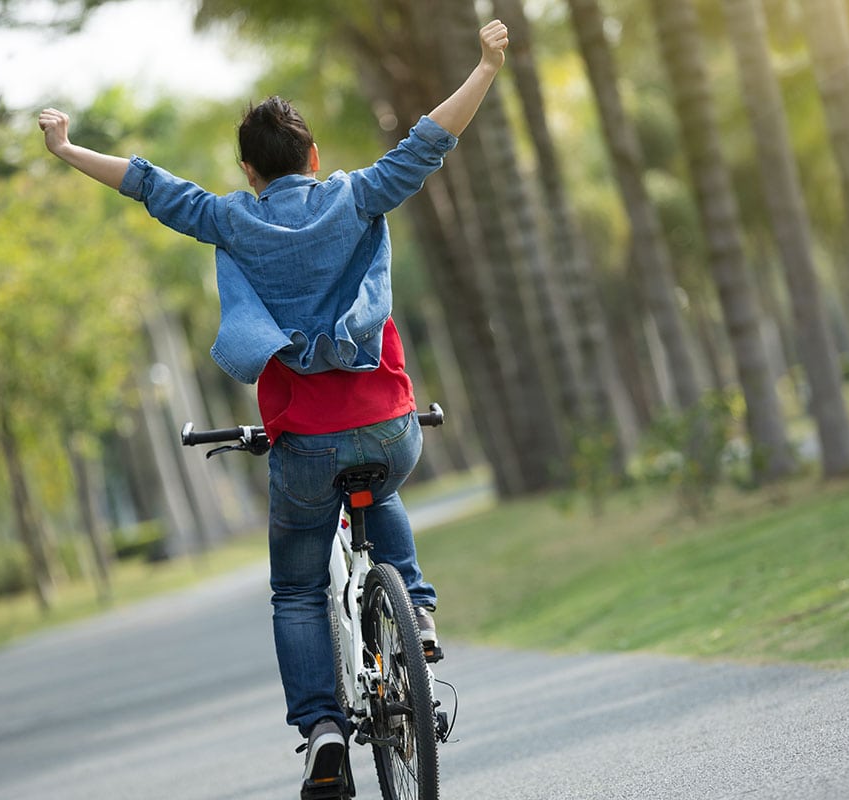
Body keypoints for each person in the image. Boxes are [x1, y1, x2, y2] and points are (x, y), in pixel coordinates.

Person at [39, 18, 508, 794]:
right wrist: (486, 67)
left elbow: (149, 185)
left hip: (305, 438)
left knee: (296, 588)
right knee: (380, 487)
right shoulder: (356, 196)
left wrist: (64, 149)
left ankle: (323, 730)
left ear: (250, 171)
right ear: (314, 157)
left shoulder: (230, 218)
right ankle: (417, 612)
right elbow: (431, 138)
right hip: (390, 423)